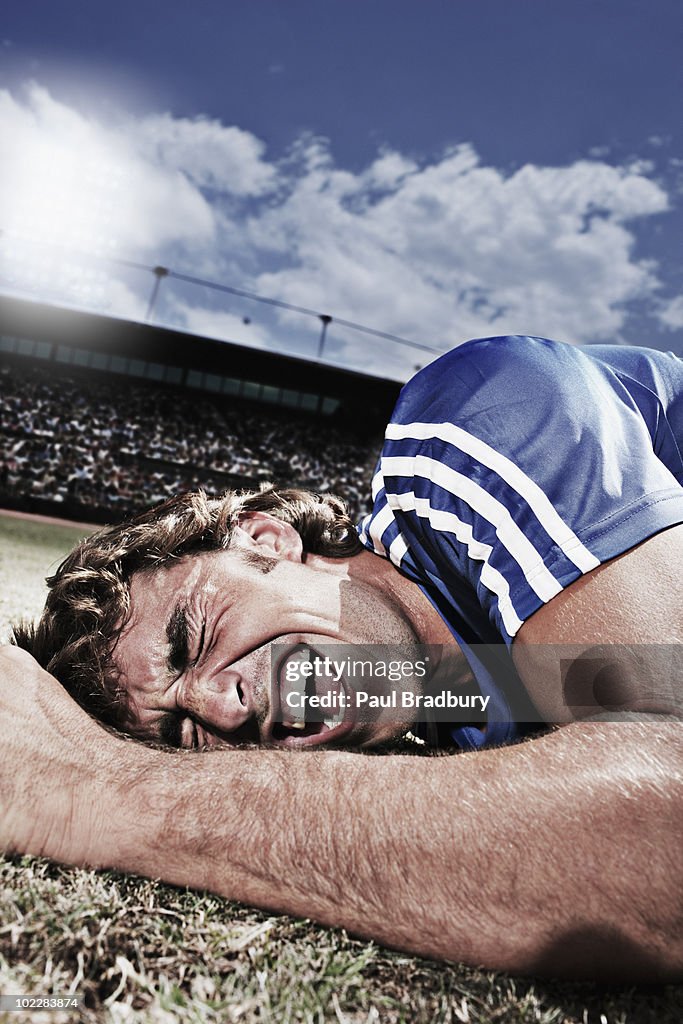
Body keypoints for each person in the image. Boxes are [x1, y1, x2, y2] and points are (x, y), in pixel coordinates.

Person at [2, 335, 682, 980]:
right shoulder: (452, 702)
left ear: (264, 539)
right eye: (183, 734)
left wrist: (88, 791)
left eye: (189, 641)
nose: (220, 706)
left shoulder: (470, 428)